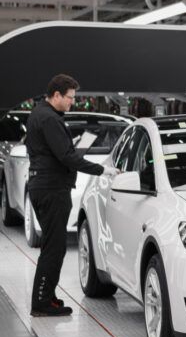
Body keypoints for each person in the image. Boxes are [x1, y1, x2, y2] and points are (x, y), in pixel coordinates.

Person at [26, 74, 119, 317]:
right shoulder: (49, 118)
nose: (72, 103)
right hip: (51, 189)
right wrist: (102, 170)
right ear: (56, 95)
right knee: (54, 249)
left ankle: (47, 297)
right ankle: (41, 304)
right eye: (69, 98)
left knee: (53, 246)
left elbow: (56, 151)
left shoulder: (41, 114)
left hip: (44, 186)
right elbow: (66, 157)